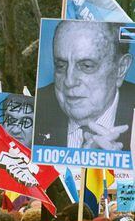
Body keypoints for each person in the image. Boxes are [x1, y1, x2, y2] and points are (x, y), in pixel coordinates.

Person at [34, 21, 135, 151]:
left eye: (87, 66)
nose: (69, 81)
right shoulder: (36, 108)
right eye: (60, 66)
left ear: (120, 68)